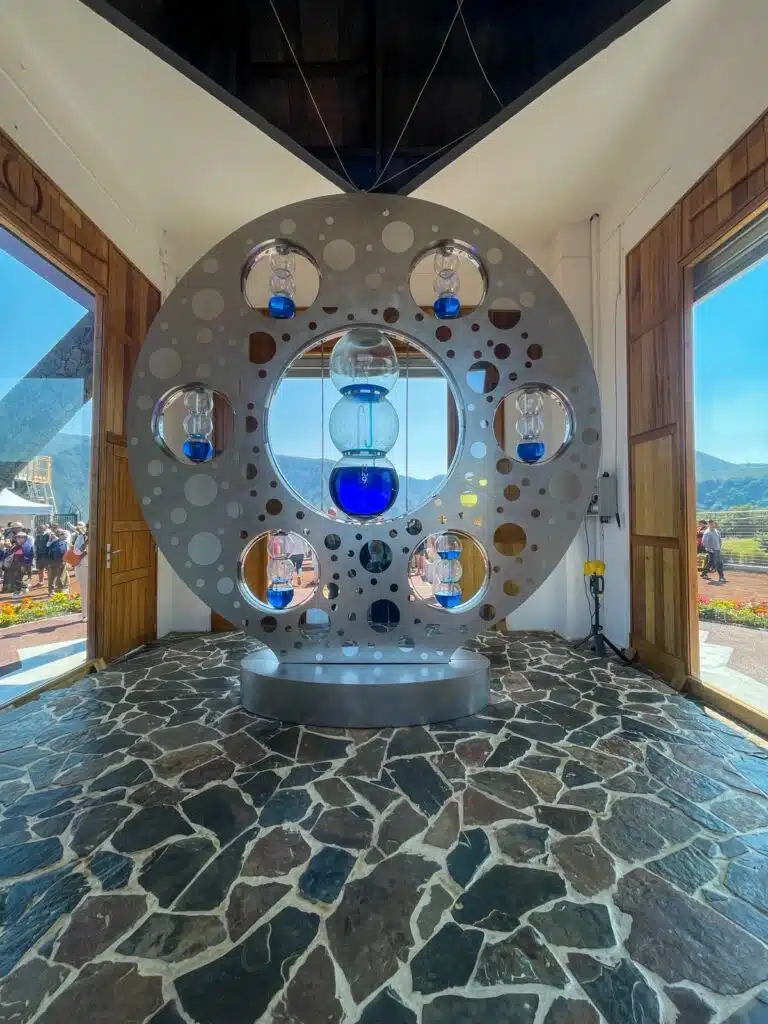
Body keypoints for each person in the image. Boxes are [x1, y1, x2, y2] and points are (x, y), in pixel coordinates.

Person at [7, 531, 34, 597]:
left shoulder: (27, 545)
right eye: (17, 537)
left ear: (24, 538)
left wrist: (24, 565)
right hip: (15, 564)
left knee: (17, 579)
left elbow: (27, 557)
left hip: (22, 565)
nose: (18, 538)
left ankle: (17, 593)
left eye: (20, 537)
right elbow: (10, 552)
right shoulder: (16, 545)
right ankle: (24, 588)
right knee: (15, 579)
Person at [72, 522, 88, 621]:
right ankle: (85, 614)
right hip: (84, 567)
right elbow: (76, 552)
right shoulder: (81, 537)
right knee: (85, 591)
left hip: (97, 566)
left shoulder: (101, 536)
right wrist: (86, 543)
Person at [47, 528, 70, 595]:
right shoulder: (54, 543)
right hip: (54, 562)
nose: (66, 536)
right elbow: (49, 552)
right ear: (60, 535)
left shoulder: (65, 543)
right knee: (52, 577)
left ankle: (59, 590)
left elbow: (66, 552)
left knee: (61, 576)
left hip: (61, 562)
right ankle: (51, 591)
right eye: (64, 534)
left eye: (66, 534)